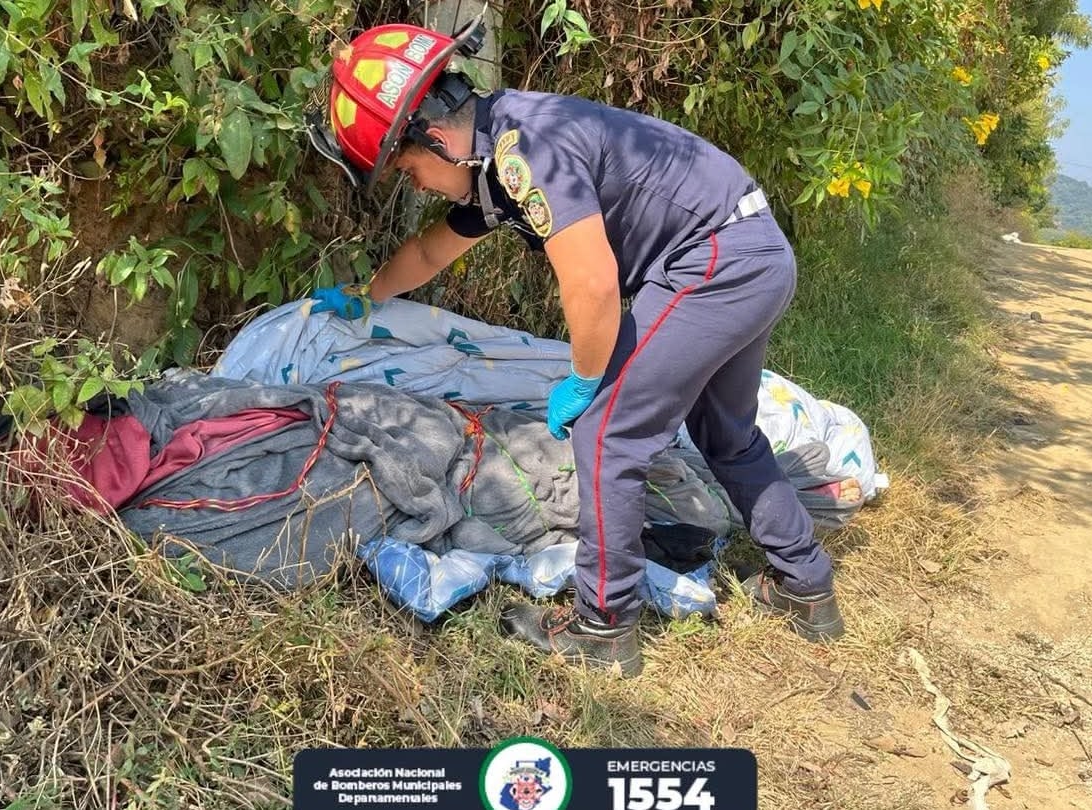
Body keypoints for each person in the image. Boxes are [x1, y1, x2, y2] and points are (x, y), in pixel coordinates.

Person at [305, 19, 844, 678]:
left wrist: (588, 381)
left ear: (435, 137)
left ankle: (604, 627)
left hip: (712, 262)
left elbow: (591, 283)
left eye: (409, 168)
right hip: (751, 253)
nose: (415, 185)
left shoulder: (524, 149)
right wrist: (367, 296)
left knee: (608, 435)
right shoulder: (498, 161)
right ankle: (805, 585)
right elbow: (428, 252)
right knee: (723, 432)